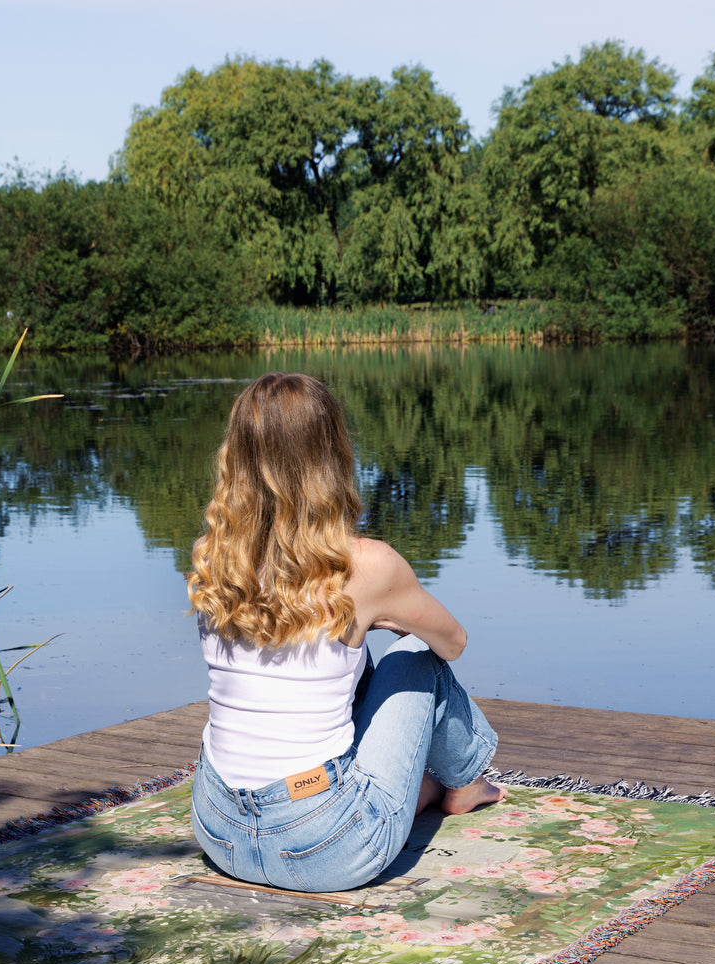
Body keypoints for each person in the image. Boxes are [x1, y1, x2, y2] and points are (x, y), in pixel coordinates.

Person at [186, 371, 504, 893]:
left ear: (236, 458)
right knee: (413, 654)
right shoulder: (367, 565)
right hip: (327, 847)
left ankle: (420, 790)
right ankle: (463, 783)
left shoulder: (213, 561)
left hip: (219, 832)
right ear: (332, 455)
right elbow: (453, 642)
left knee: (349, 665)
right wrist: (381, 615)